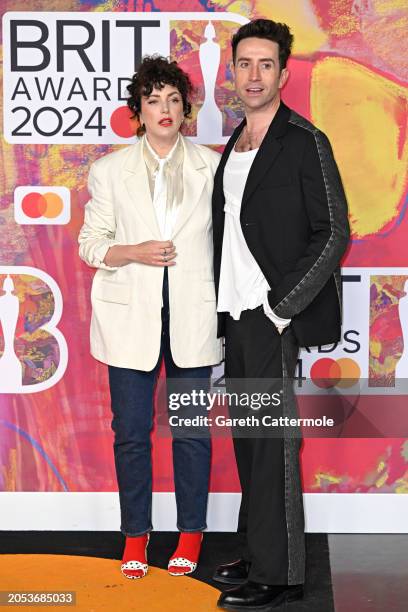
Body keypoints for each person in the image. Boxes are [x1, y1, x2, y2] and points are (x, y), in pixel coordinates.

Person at [211, 19, 350, 610]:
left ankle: (282, 571)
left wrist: (279, 308)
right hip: (235, 315)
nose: (254, 74)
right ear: (233, 71)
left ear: (283, 74)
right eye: (245, 63)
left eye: (266, 64)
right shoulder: (235, 141)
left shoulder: (304, 140)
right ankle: (261, 547)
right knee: (251, 442)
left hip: (271, 316)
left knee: (271, 443)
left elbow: (333, 231)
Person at [78, 55, 222, 580]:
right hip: (128, 321)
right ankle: (135, 537)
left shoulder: (214, 167)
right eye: (153, 99)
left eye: (173, 100)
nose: (164, 109)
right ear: (137, 109)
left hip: (194, 317)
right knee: (132, 434)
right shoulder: (109, 170)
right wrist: (133, 250)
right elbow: (91, 245)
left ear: (187, 109)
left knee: (190, 431)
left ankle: (190, 534)